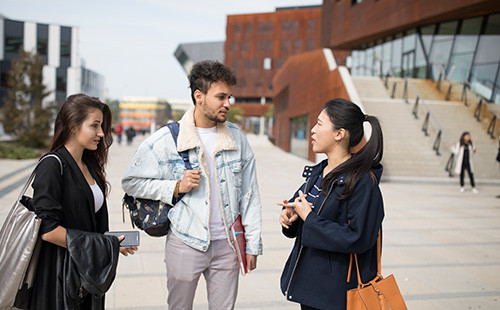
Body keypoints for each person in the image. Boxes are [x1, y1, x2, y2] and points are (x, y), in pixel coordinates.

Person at [122, 60, 262, 310]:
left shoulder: (238, 138)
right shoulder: (167, 139)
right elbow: (131, 183)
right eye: (221, 97)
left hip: (228, 246)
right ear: (199, 96)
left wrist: (252, 244)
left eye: (229, 97)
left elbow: (250, 196)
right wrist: (174, 187)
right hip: (185, 242)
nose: (228, 104)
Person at [30, 94, 137, 309]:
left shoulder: (90, 165)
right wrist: (104, 245)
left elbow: (89, 222)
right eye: (94, 126)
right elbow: (48, 230)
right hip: (60, 273)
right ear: (72, 126)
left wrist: (112, 243)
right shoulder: (51, 166)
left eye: (102, 126)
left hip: (87, 270)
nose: (101, 133)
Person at [278, 98, 384, 310]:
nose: (313, 131)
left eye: (319, 124)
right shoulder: (318, 173)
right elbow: (301, 213)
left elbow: (358, 237)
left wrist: (310, 218)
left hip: (337, 296)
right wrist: (290, 218)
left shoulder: (363, 183)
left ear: (339, 134)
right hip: (310, 287)